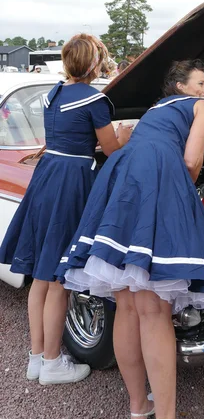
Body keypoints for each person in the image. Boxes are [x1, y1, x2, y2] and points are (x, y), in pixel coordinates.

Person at [56, 59, 204, 419]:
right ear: (181, 86)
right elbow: (191, 161)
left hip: (121, 177)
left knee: (128, 303)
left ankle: (139, 408)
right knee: (154, 308)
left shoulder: (153, 111)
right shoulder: (200, 107)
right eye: (201, 83)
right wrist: (182, 191)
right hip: (157, 177)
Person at [0, 34, 132, 385]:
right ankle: (54, 361)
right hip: (71, 180)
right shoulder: (96, 100)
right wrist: (127, 135)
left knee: (42, 277)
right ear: (93, 64)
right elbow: (111, 149)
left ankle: (37, 357)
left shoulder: (54, 94)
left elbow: (65, 136)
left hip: (47, 177)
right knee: (60, 275)